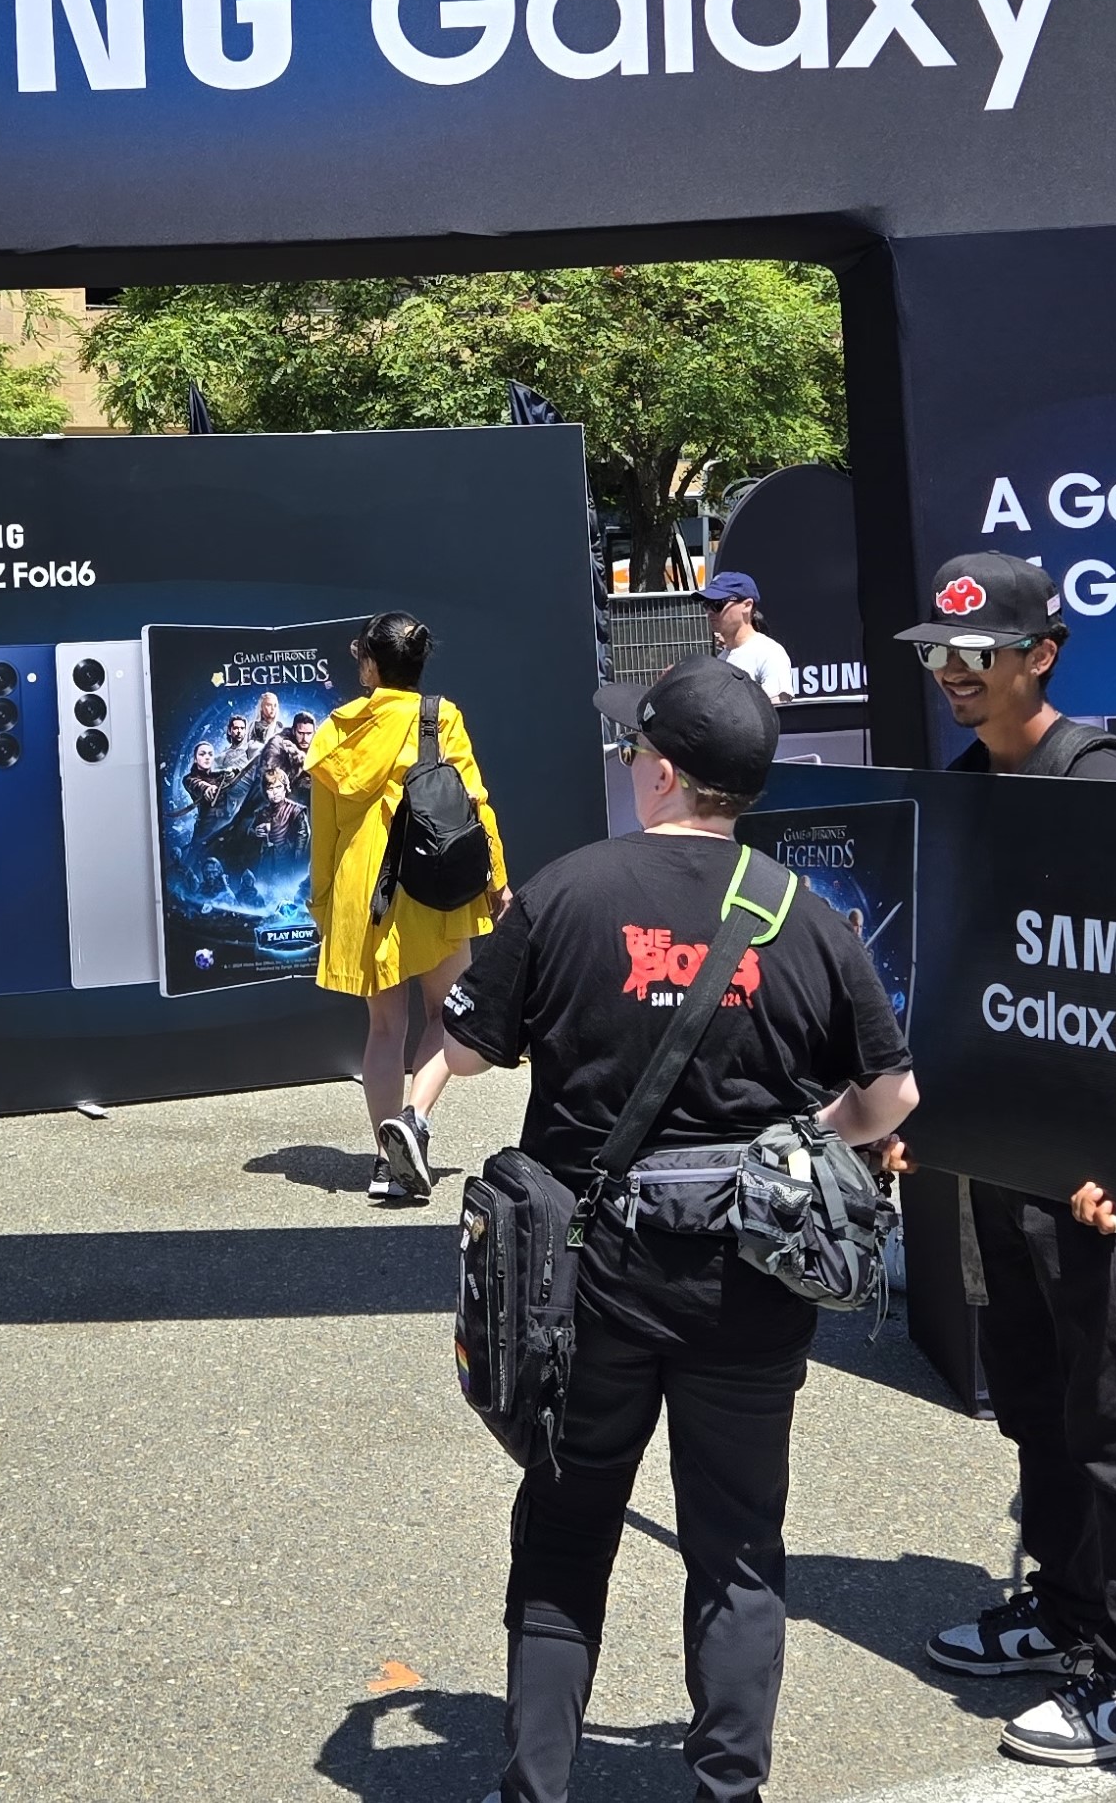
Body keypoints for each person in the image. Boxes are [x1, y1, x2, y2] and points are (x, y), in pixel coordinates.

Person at [431, 656, 919, 1803]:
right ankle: (725, 1788)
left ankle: (536, 1787)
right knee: (739, 1550)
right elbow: (890, 1101)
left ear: (661, 771)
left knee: (565, 1529)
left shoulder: (567, 892)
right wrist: (806, 1139)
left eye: (630, 753)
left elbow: (461, 1051)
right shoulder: (804, 915)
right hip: (747, 1283)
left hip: (583, 1283)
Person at [895, 551, 1116, 1766]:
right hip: (1006, 1159)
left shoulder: (1100, 778)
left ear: (1043, 655)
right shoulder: (968, 784)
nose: (953, 674)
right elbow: (977, 987)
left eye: (976, 652)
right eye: (939, 653)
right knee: (1032, 1399)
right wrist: (928, 1117)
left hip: (1097, 1180)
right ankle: (1066, 1614)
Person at [303, 612, 509, 1205]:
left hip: (367, 890)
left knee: (385, 1028)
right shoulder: (438, 717)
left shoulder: (335, 732)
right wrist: (497, 878)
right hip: (433, 881)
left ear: (370, 664)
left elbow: (324, 833)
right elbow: (474, 803)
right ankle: (413, 1120)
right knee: (449, 1016)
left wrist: (325, 901)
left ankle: (386, 1161)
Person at [703, 570, 799, 704]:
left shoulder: (769, 654)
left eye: (717, 604)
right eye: (706, 604)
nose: (709, 612)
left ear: (747, 606)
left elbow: (776, 714)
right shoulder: (722, 658)